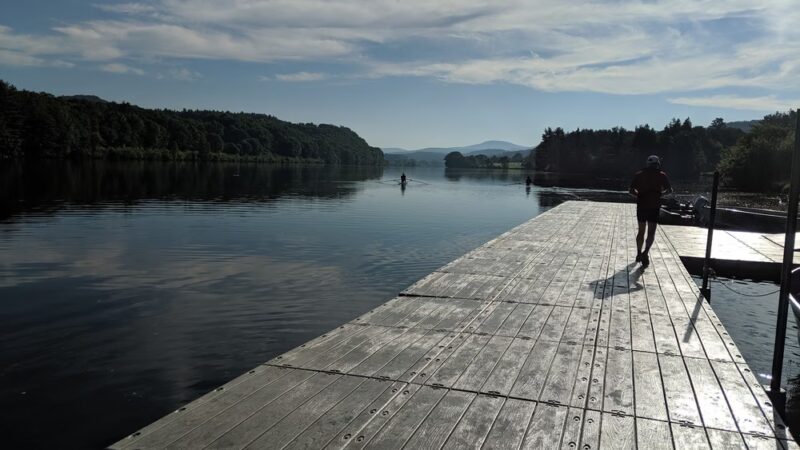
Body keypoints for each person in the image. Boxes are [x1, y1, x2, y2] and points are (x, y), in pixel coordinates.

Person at [629, 155, 672, 267]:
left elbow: (631, 191)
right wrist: (660, 195)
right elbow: (669, 190)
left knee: (641, 231)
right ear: (657, 164)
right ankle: (646, 253)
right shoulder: (662, 175)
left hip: (642, 206)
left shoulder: (639, 174)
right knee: (651, 232)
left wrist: (639, 195)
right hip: (654, 206)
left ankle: (638, 253)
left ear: (647, 164)